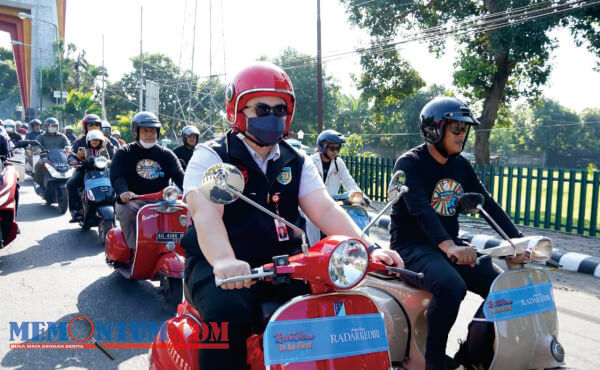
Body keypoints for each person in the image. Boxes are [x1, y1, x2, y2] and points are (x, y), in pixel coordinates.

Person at [181, 62, 403, 370]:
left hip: (285, 266)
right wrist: (222, 260)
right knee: (227, 316)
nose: (272, 117)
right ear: (238, 110)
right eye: (261, 109)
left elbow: (324, 208)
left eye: (280, 109)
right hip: (221, 270)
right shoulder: (213, 155)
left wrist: (369, 247)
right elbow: (205, 213)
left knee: (331, 310)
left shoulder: (295, 159)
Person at [389, 97, 523, 370]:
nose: (463, 136)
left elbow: (487, 202)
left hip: (448, 246)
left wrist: (519, 241)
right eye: (457, 129)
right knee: (451, 286)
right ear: (435, 129)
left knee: (502, 288)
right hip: (413, 247)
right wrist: (448, 246)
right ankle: (435, 361)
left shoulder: (461, 165)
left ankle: (474, 353)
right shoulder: (409, 164)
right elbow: (421, 211)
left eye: (465, 130)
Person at [110, 111, 184, 249]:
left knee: (186, 210)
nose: (150, 134)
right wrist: (123, 192)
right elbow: (117, 176)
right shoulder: (124, 153)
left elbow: (180, 176)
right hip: (134, 201)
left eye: (153, 131)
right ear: (135, 132)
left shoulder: (167, 155)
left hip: (162, 200)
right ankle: (135, 251)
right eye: (145, 131)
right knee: (127, 210)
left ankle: (181, 250)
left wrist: (194, 192)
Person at [305, 129, 364, 245]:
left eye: (338, 148)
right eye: (332, 148)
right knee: (311, 228)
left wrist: (360, 194)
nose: (335, 151)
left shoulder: (339, 162)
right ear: (322, 146)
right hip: (312, 205)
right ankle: (313, 253)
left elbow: (349, 181)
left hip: (330, 205)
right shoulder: (310, 161)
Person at [67, 114, 111, 222]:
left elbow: (115, 155)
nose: (94, 127)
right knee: (71, 184)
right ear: (85, 127)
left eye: (97, 125)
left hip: (104, 171)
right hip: (84, 170)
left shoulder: (107, 141)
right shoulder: (79, 141)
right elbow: (72, 154)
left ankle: (119, 208)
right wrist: (73, 161)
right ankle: (77, 211)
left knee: (120, 182)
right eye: (91, 125)